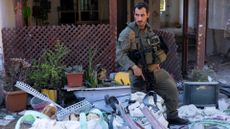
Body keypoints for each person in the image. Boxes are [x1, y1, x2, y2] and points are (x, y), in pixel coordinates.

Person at [116, 2, 189, 125]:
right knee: (139, 104)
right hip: (139, 74)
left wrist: (156, 61)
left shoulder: (149, 30)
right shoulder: (128, 33)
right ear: (134, 15)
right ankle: (143, 123)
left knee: (171, 88)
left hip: (154, 70)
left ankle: (171, 116)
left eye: (142, 15)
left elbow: (154, 48)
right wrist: (133, 67)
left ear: (147, 15)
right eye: (137, 15)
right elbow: (119, 55)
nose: (139, 18)